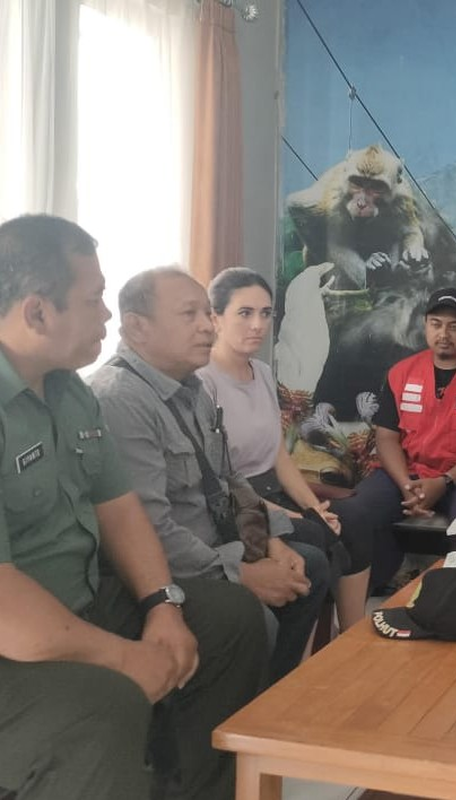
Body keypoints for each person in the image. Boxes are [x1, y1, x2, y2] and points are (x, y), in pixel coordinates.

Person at [0, 215, 267, 800]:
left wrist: (163, 607)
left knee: (229, 619)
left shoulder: (70, 392)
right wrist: (124, 657)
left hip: (85, 600)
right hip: (15, 640)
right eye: (94, 300)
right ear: (38, 312)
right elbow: (8, 611)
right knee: (108, 701)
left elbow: (120, 508)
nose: (106, 316)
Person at [89, 267, 330, 683]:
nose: (207, 327)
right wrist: (243, 573)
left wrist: (271, 541)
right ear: (137, 327)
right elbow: (149, 529)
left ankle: (267, 699)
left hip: (215, 542)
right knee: (253, 617)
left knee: (309, 566)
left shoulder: (190, 388)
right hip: (170, 566)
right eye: (190, 315)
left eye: (207, 314)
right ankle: (235, 723)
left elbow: (229, 479)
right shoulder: (119, 400)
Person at [199, 267, 374, 631]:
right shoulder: (203, 382)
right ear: (215, 318)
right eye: (244, 313)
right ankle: (303, 660)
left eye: (266, 314)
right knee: (315, 537)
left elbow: (279, 455)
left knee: (354, 520)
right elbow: (219, 481)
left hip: (274, 489)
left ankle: (352, 636)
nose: (258, 325)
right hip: (237, 501)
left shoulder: (263, 372)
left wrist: (312, 506)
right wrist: (292, 516)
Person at [358, 288, 456, 591]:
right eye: (436, 323)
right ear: (425, 324)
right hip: (407, 473)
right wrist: (407, 485)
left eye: (455, 326)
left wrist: (443, 483)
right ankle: (371, 588)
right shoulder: (401, 373)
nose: (444, 333)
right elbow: (387, 437)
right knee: (360, 510)